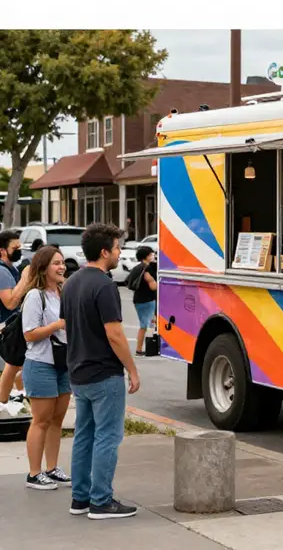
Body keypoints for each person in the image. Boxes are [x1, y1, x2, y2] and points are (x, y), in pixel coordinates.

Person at [60, 223, 140, 520]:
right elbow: (115, 334)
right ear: (105, 252)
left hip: (78, 371)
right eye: (117, 248)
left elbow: (67, 326)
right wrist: (132, 370)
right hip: (104, 373)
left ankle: (80, 498)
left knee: (84, 435)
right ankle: (101, 501)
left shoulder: (71, 282)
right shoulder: (105, 286)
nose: (120, 253)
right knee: (107, 436)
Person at [21, 246, 71, 490]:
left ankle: (52, 468)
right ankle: (34, 473)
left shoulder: (62, 292)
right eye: (56, 263)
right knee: (41, 420)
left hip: (64, 363)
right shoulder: (35, 296)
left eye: (62, 263)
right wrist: (58, 325)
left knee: (57, 420)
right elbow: (29, 334)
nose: (62, 267)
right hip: (41, 364)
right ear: (43, 268)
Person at [0, 230, 29, 417]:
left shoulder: (11, 269)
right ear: (2, 251)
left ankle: (16, 394)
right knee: (13, 364)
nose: (19, 250)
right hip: (6, 326)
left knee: (15, 365)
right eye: (15, 247)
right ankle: (4, 400)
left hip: (13, 325)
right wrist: (25, 279)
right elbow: (10, 302)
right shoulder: (2, 272)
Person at [129, 246, 157, 357]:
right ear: (146, 256)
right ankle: (140, 349)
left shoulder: (138, 267)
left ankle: (142, 349)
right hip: (147, 300)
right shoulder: (147, 269)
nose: (152, 256)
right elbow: (153, 286)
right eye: (150, 254)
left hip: (139, 299)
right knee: (145, 325)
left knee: (148, 323)